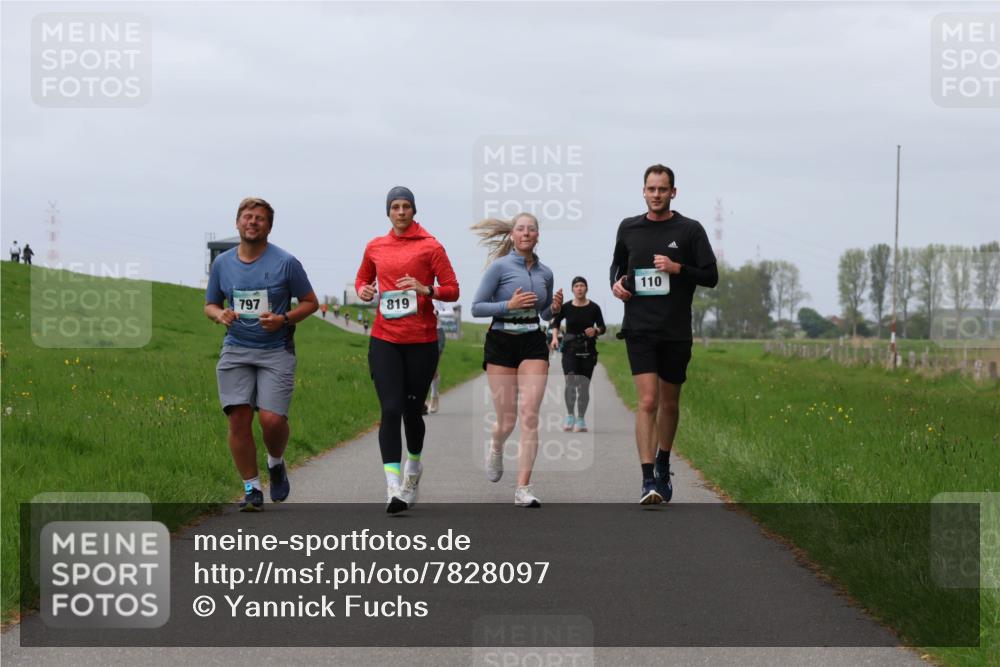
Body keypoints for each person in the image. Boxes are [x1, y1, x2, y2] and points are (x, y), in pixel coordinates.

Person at [610, 164, 718, 505]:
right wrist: (616, 285)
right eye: (651, 189)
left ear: (673, 192)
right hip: (639, 328)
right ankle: (647, 480)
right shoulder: (629, 228)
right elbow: (617, 266)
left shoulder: (689, 230)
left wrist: (678, 269)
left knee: (669, 403)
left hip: (675, 331)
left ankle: (663, 462)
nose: (656, 194)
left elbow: (711, 275)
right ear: (643, 191)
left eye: (663, 189)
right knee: (647, 401)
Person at [205, 197, 319, 511]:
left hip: (275, 350)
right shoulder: (222, 264)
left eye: (260, 218)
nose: (253, 222)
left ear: (269, 226)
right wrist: (219, 315)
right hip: (236, 349)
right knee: (238, 419)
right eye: (247, 217)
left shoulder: (286, 262)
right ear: (237, 222)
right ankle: (252, 488)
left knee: (271, 420)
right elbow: (210, 304)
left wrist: (284, 319)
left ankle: (276, 461)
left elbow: (311, 303)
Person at [356, 186, 459, 514]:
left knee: (413, 412)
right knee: (390, 408)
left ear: (414, 211)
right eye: (395, 207)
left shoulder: (431, 246)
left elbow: (453, 290)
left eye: (406, 207)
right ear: (388, 212)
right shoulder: (375, 246)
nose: (401, 212)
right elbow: (361, 280)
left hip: (422, 342)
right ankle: (393, 487)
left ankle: (413, 469)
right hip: (385, 338)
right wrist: (365, 290)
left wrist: (425, 288)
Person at [471, 213, 563, 508]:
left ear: (538, 236)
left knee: (530, 414)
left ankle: (523, 488)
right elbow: (476, 308)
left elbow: (546, 314)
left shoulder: (545, 273)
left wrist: (554, 308)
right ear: (512, 235)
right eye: (521, 229)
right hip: (501, 341)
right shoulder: (499, 268)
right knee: (507, 419)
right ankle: (496, 444)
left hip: (532, 342)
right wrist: (507, 305)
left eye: (531, 229)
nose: (526, 233)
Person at [549, 276, 606, 433]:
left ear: (586, 289)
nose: (579, 288)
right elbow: (555, 322)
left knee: (584, 386)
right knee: (571, 381)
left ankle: (580, 418)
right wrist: (554, 338)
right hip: (570, 350)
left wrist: (596, 330)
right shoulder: (566, 307)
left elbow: (602, 326)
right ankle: (569, 415)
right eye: (576, 286)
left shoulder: (594, 308)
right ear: (572, 289)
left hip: (588, 350)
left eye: (582, 285)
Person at [425, 299, 454, 414]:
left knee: (432, 368)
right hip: (419, 331)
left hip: (436, 332)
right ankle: (420, 400)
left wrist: (436, 312)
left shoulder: (436, 293)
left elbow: (450, 311)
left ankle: (433, 396)